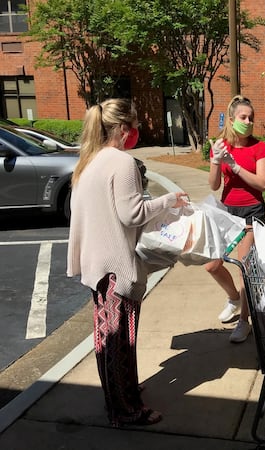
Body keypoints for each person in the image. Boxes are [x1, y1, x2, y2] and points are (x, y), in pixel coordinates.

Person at [67, 98, 189, 427]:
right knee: (120, 342)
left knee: (107, 341)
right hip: (116, 268)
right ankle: (126, 411)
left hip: (97, 268)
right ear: (123, 129)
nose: (137, 131)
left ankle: (118, 397)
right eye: (134, 125)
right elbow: (131, 213)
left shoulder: (88, 163)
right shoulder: (122, 163)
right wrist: (168, 201)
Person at [206, 95, 265, 343]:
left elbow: (262, 183)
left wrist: (236, 167)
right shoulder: (221, 146)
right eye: (243, 117)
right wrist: (216, 161)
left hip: (252, 212)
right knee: (212, 264)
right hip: (227, 213)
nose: (248, 121)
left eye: (251, 118)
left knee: (245, 267)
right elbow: (214, 185)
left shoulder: (259, 147)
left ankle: (244, 321)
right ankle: (233, 298)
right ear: (231, 120)